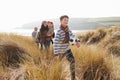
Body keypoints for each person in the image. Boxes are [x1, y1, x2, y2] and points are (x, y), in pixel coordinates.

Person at [54, 15, 80, 80]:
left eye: (67, 20)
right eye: (65, 20)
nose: (66, 21)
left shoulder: (68, 29)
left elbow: (72, 36)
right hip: (60, 51)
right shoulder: (59, 31)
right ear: (61, 21)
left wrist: (77, 41)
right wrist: (56, 54)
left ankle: (73, 78)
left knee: (72, 61)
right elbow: (56, 43)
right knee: (59, 65)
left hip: (67, 49)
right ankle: (58, 77)